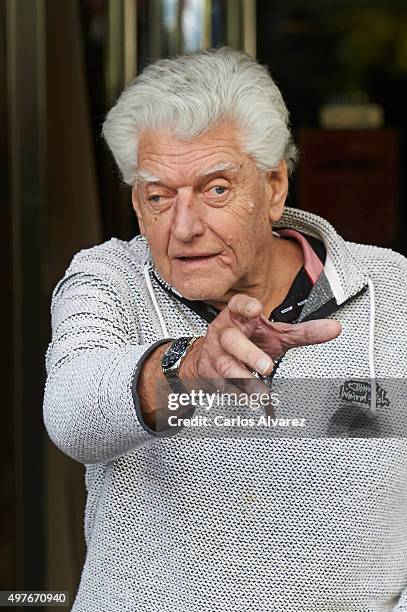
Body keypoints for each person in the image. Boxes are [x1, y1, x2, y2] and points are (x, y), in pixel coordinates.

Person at [43, 47, 407, 611]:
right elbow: (72, 410)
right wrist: (186, 369)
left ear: (275, 189)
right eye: (158, 196)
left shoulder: (394, 287)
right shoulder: (108, 280)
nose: (184, 227)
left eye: (216, 189)